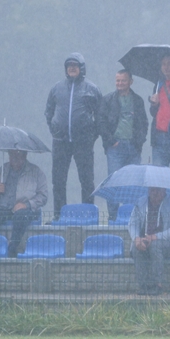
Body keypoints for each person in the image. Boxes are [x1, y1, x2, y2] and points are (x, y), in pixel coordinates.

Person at [45, 52, 102, 220]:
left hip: (83, 142)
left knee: (86, 181)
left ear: (81, 68)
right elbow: (49, 112)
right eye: (69, 66)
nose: (71, 68)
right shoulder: (57, 88)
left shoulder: (91, 88)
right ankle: (58, 215)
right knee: (59, 180)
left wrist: (92, 136)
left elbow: (100, 116)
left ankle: (88, 214)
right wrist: (54, 129)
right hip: (60, 141)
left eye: (75, 66)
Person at [97, 69, 149, 221]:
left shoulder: (138, 100)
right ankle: (113, 218)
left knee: (133, 184)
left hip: (133, 147)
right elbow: (101, 122)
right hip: (115, 148)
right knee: (113, 183)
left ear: (130, 82)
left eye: (123, 80)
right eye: (118, 80)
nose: (120, 83)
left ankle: (130, 217)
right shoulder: (107, 100)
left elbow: (144, 123)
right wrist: (111, 141)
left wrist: (139, 141)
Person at [0, 150, 48, 258]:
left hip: (27, 210)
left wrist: (27, 204)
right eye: (11, 154)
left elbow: (43, 196)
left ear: (25, 155)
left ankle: (12, 248)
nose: (14, 158)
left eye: (18, 155)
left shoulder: (36, 172)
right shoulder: (1, 171)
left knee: (20, 216)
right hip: (4, 208)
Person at [129, 187, 170, 296]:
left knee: (155, 246)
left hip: (167, 242)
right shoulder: (140, 203)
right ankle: (143, 285)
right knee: (136, 248)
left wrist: (156, 236)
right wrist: (136, 238)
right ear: (148, 191)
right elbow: (132, 224)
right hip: (144, 238)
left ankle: (157, 284)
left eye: (158, 190)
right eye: (152, 190)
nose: (155, 193)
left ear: (164, 191)